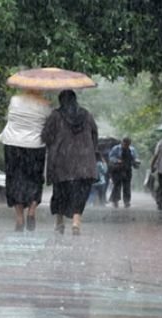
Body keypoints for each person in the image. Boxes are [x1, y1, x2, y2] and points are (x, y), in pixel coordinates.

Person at [41, 90, 98, 235]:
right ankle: (76, 222)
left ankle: (59, 222)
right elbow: (94, 136)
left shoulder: (55, 116)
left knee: (60, 192)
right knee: (80, 193)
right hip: (84, 162)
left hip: (62, 161)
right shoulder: (87, 115)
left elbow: (46, 137)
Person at [0, 89, 51, 232]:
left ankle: (19, 217)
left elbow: (10, 117)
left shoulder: (15, 100)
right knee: (35, 178)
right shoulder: (45, 104)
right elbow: (47, 124)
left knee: (15, 179)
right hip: (35, 145)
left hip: (13, 144)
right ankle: (32, 210)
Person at [108, 137, 140, 208]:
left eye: (128, 144)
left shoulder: (132, 149)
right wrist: (117, 161)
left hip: (127, 170)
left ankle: (127, 201)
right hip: (117, 170)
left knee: (127, 186)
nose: (126, 146)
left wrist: (136, 161)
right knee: (117, 185)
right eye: (125, 144)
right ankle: (115, 200)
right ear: (122, 143)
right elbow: (111, 157)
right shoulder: (116, 148)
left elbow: (135, 158)